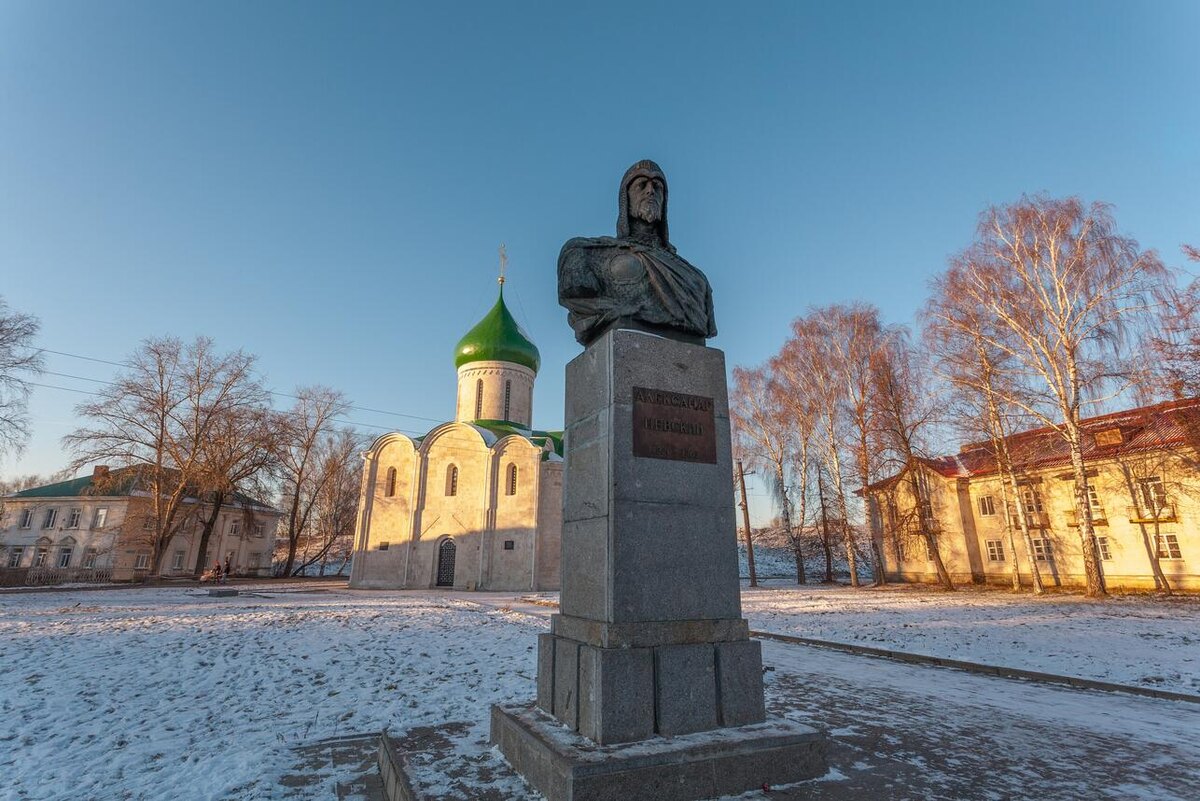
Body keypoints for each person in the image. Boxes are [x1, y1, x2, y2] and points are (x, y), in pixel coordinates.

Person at [558, 159, 717, 347]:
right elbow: (578, 297)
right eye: (642, 185)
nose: (650, 191)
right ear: (626, 198)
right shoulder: (584, 253)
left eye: (657, 187)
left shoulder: (696, 280)